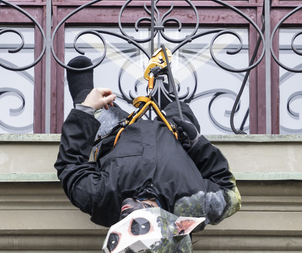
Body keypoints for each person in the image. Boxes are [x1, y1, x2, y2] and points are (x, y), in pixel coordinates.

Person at [54, 55, 239, 228]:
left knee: (97, 110)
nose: (124, 216)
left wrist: (85, 109)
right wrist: (197, 143)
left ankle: (83, 92)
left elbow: (71, 167)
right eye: (135, 224)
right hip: (176, 135)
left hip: (115, 132)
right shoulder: (194, 206)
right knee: (182, 113)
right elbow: (229, 191)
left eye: (123, 225)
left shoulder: (101, 200)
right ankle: (164, 93)